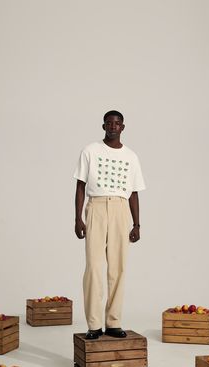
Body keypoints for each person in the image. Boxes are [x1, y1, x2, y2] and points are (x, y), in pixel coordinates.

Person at [73, 110, 145, 339]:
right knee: (94, 268)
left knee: (118, 268)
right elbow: (80, 187)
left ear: (123, 127)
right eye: (109, 123)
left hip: (121, 209)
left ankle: (113, 322)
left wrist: (137, 224)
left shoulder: (131, 157)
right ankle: (94, 324)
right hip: (96, 206)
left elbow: (134, 192)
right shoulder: (90, 151)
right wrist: (78, 218)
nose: (113, 126)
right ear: (103, 125)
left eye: (117, 123)